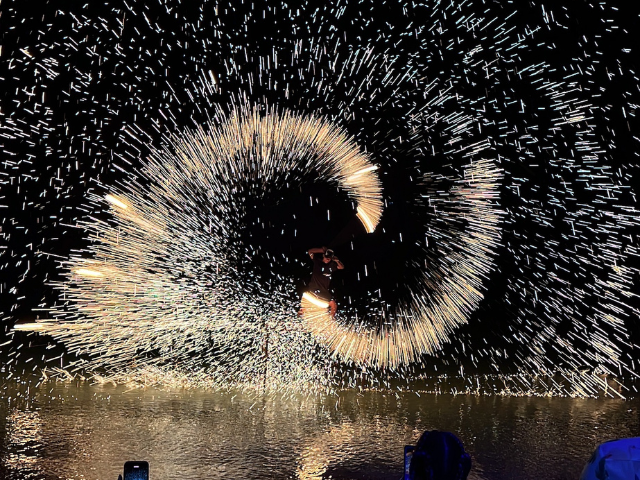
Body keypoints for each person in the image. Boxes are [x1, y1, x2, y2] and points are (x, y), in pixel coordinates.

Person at [304, 246, 344, 318]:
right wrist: (321, 250)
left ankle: (330, 320)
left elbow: (341, 267)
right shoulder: (317, 261)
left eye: (329, 258)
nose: (327, 259)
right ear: (323, 256)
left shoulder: (331, 266)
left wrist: (337, 261)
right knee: (306, 307)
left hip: (324, 291)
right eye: (326, 257)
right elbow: (310, 251)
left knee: (334, 305)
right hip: (314, 289)